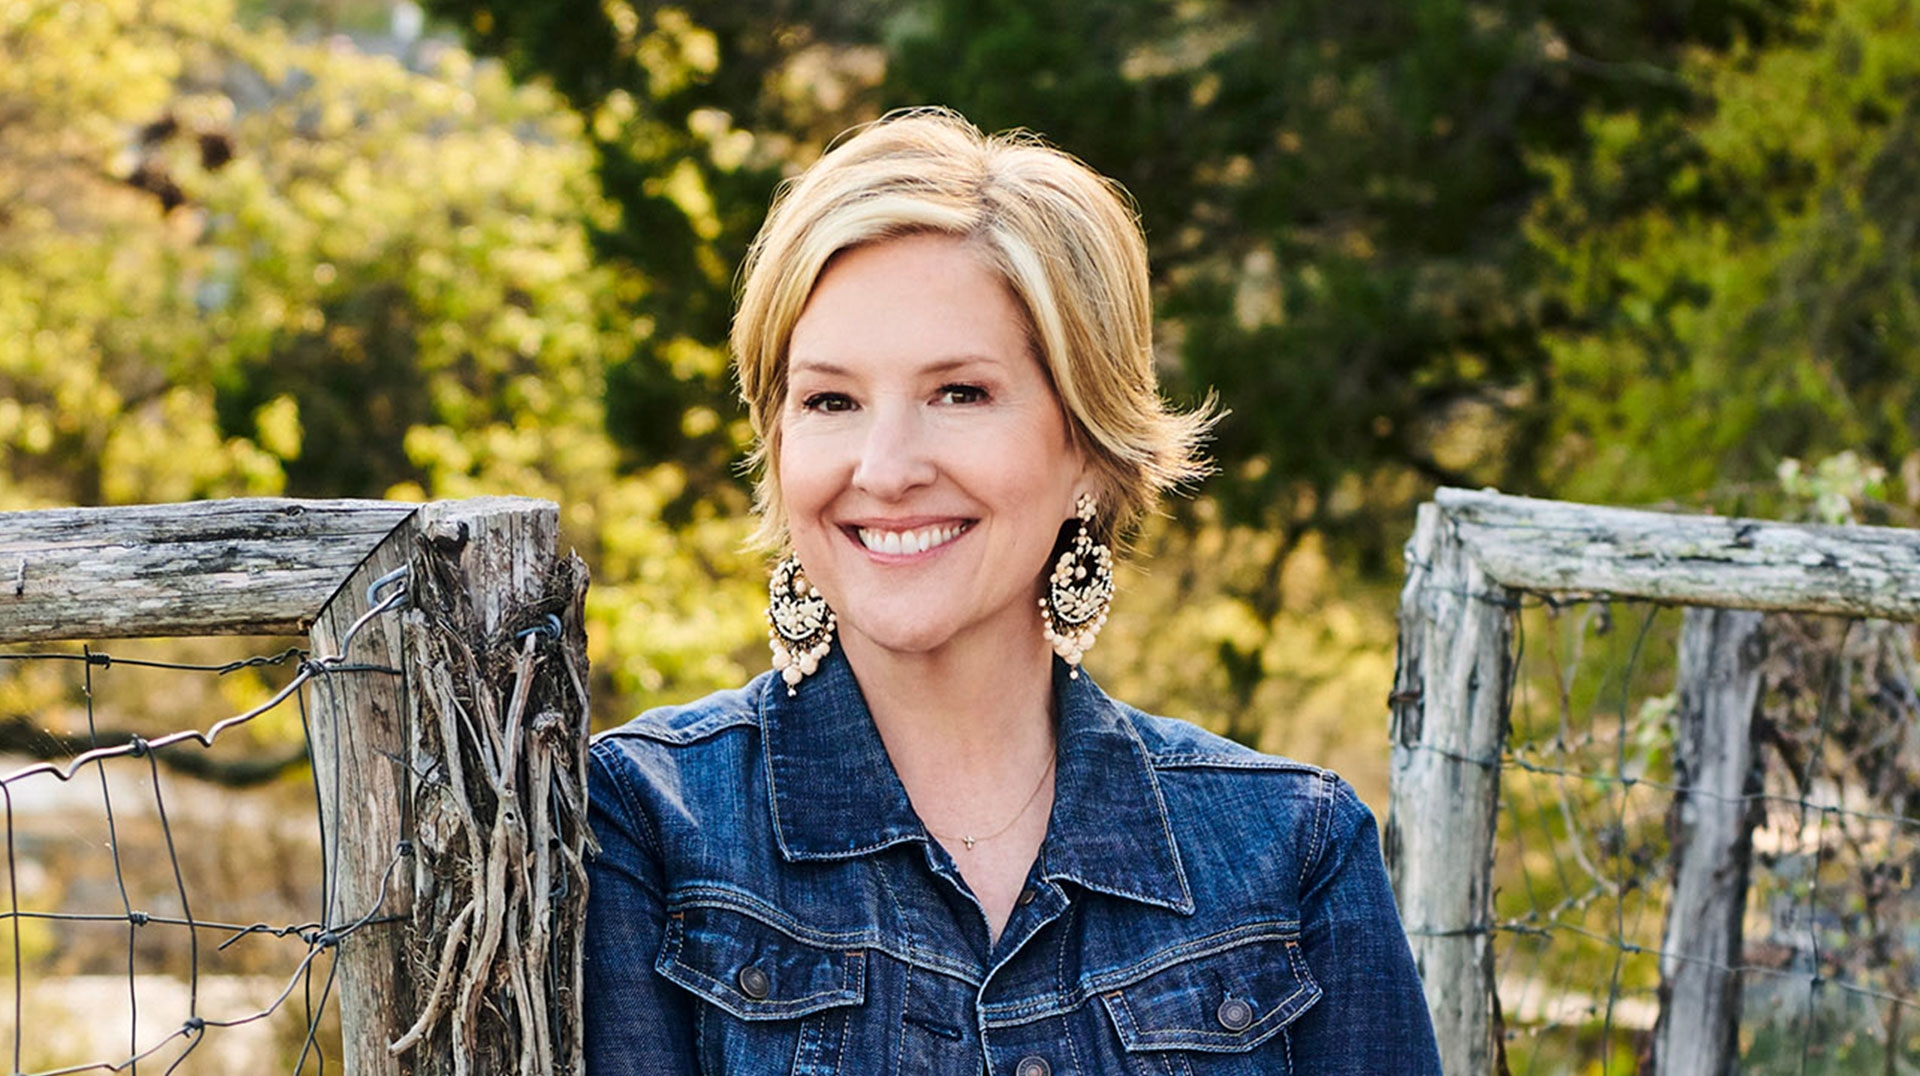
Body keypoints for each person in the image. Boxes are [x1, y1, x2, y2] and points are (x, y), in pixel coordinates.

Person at [584, 107, 1442, 1075]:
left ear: (1086, 443)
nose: (887, 465)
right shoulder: (643, 821)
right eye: (830, 399)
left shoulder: (1292, 847)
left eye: (961, 393)